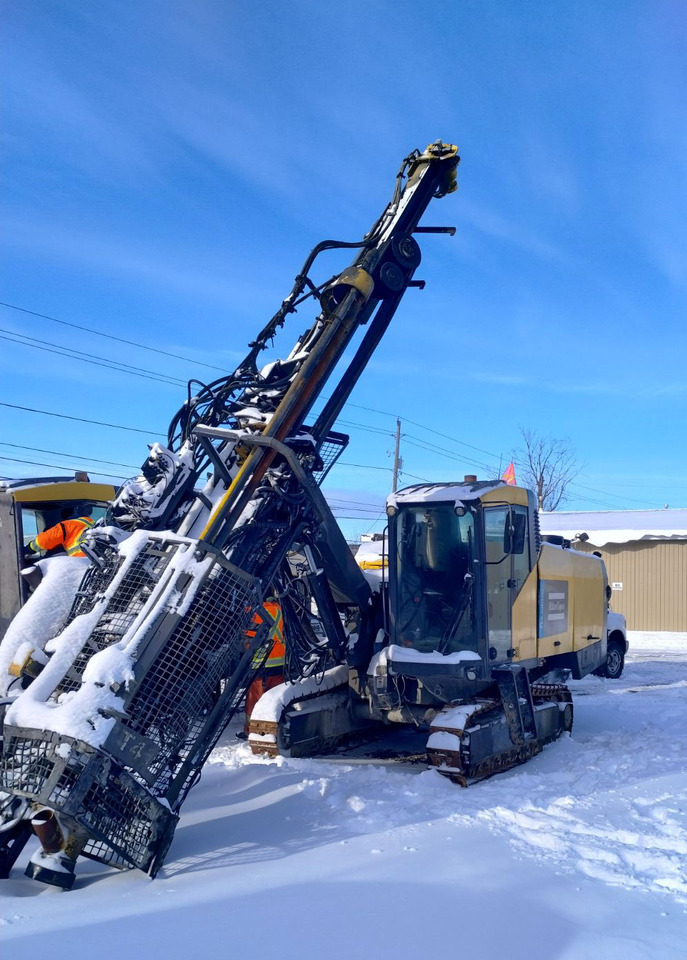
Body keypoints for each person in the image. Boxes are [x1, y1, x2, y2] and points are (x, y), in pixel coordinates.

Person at [244, 599, 285, 732]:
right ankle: (273, 728)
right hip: (280, 660)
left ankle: (254, 730)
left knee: (256, 698)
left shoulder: (255, 611)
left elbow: (250, 638)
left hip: (261, 661)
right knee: (274, 697)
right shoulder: (279, 608)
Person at [25, 504, 95, 559]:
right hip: (94, 566)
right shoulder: (94, 525)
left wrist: (28, 549)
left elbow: (44, 539)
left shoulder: (68, 525)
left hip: (79, 562)